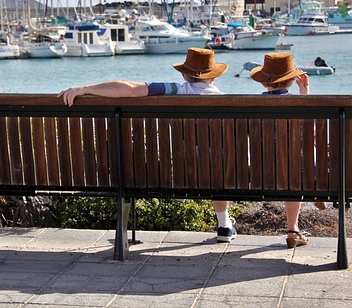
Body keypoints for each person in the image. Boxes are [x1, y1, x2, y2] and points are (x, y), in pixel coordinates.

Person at [57, 47, 238, 242]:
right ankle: (224, 225)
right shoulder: (227, 101)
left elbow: (129, 88)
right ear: (213, 78)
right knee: (217, 161)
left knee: (196, 158)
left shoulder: (175, 91)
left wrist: (84, 88)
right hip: (220, 176)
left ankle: (185, 191)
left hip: (176, 175)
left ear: (185, 75)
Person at [249, 52, 322, 248]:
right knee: (297, 167)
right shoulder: (298, 105)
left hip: (260, 172)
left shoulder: (252, 106)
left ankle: (294, 229)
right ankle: (294, 226)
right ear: (291, 81)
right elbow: (311, 133)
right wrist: (305, 94)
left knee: (290, 165)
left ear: (264, 83)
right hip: (296, 173)